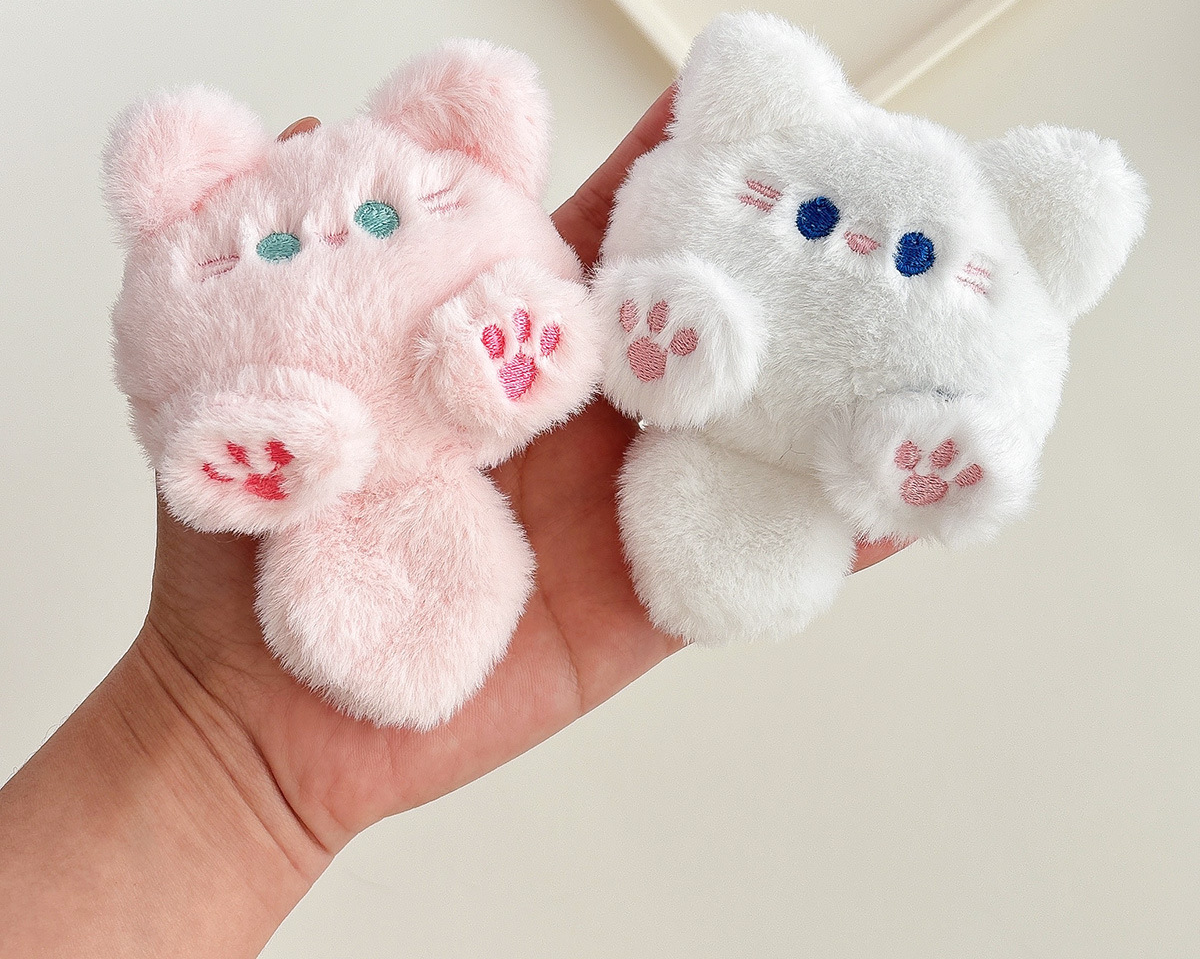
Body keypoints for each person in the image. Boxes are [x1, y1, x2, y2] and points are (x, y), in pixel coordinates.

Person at [0, 90, 900, 957]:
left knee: (467, 375)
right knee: (455, 380)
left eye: (383, 219)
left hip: (399, 456)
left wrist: (223, 751)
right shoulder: (383, 195)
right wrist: (224, 738)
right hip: (349, 484)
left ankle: (428, 388)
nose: (334, 236)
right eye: (272, 246)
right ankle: (362, 414)